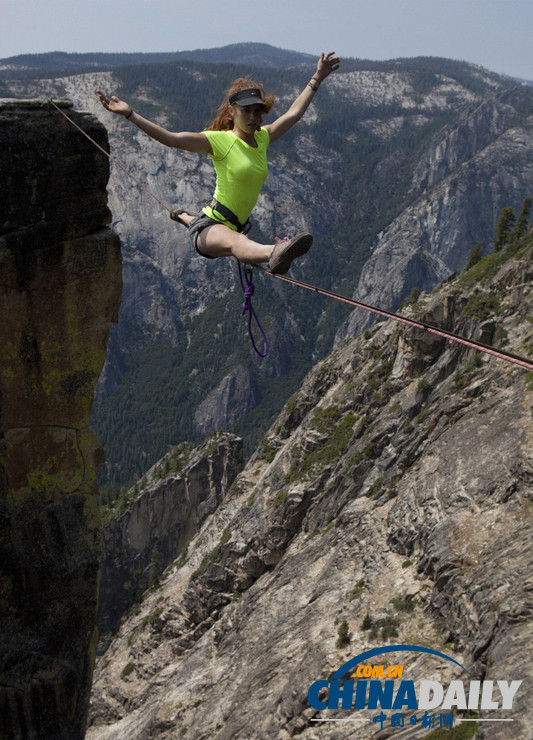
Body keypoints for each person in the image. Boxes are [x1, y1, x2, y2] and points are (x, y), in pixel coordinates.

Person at [98, 51, 340, 274]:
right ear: (232, 111)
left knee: (233, 236)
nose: (254, 118)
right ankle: (273, 252)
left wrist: (317, 77)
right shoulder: (219, 141)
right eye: (247, 112)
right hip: (210, 229)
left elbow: (293, 114)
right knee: (238, 243)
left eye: (258, 111)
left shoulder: (263, 138)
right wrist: (130, 114)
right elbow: (172, 139)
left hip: (230, 225)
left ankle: (182, 216)